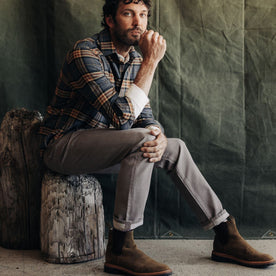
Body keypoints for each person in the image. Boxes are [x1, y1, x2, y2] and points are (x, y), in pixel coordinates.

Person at [39, 0, 275, 275]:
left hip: (102, 147)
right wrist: (151, 62)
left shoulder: (135, 59)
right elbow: (122, 118)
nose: (138, 23)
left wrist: (159, 136)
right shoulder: (86, 53)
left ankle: (224, 233)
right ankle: (120, 248)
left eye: (143, 15)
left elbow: (144, 118)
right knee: (142, 139)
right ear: (110, 20)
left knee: (173, 147)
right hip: (62, 146)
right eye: (128, 14)